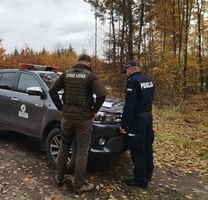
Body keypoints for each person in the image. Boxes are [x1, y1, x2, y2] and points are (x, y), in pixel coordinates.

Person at [49, 54, 106, 195]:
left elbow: (52, 90)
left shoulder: (66, 74)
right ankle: (78, 186)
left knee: (64, 146)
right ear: (89, 63)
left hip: (67, 117)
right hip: (83, 118)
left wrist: (61, 108)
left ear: (78, 62)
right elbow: (102, 94)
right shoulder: (91, 76)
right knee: (82, 151)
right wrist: (94, 111)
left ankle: (59, 178)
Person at [119, 61, 155, 188]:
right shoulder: (148, 80)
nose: (126, 75)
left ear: (130, 70)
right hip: (148, 117)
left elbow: (129, 106)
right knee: (147, 147)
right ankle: (147, 175)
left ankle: (140, 179)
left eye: (126, 72)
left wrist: (123, 124)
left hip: (137, 120)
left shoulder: (133, 81)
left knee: (138, 149)